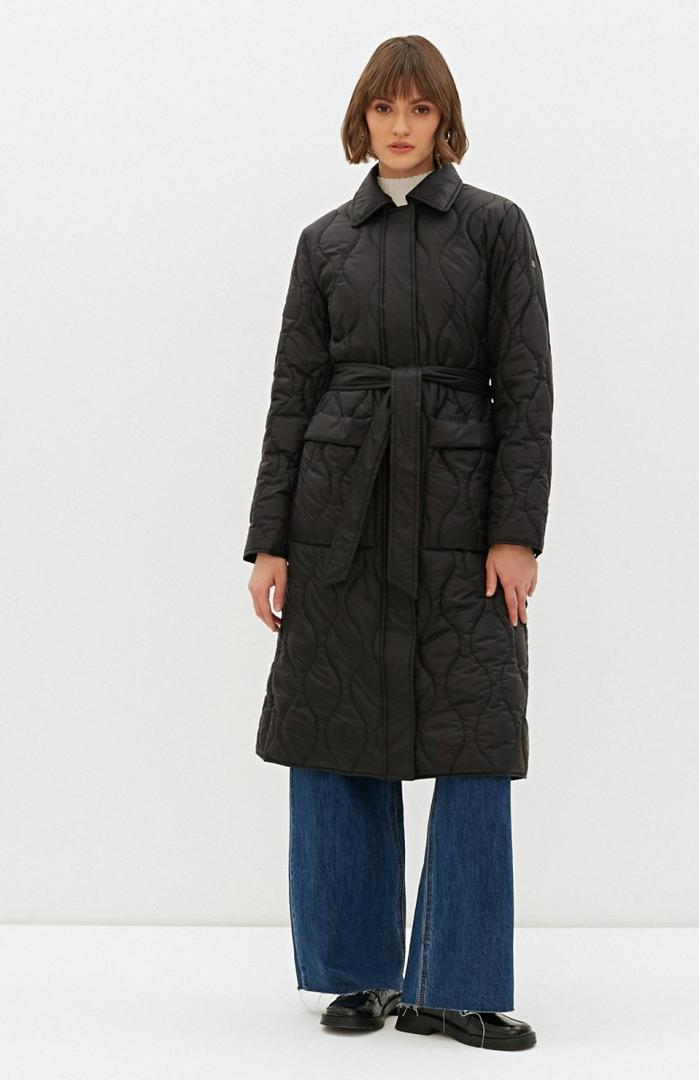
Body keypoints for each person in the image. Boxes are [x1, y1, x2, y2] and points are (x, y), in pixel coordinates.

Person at [244, 34, 553, 1052]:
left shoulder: (497, 228)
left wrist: (514, 532)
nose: (402, 125)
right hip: (339, 515)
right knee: (337, 733)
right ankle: (357, 974)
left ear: (444, 119)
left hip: (462, 522)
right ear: (362, 119)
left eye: (420, 108)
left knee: (474, 739)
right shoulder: (324, 242)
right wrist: (272, 540)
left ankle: (454, 985)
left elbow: (527, 390)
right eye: (385, 108)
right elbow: (293, 394)